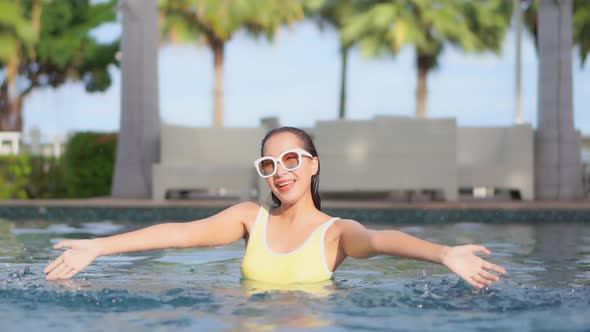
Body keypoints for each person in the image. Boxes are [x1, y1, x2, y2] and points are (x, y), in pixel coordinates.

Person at [44, 127, 506, 289]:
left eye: (292, 159)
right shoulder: (251, 218)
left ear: (313, 166)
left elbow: (382, 241)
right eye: (270, 162)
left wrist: (445, 254)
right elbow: (179, 233)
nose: (281, 170)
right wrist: (97, 248)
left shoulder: (335, 233)